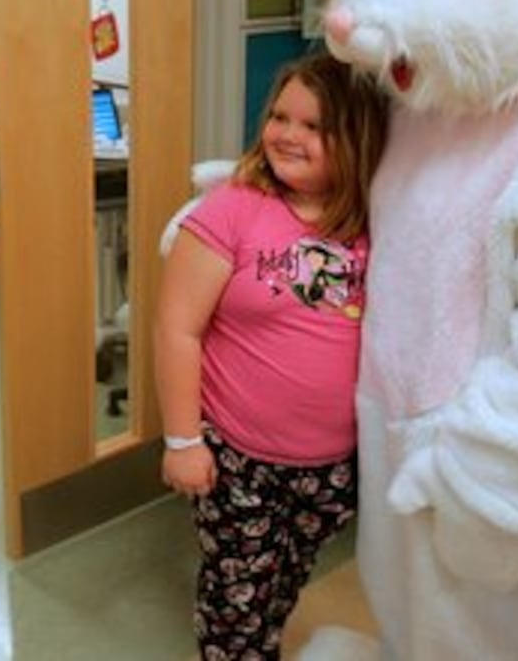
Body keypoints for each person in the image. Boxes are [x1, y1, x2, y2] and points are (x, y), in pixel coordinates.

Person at [155, 52, 388, 660]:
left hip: (331, 468)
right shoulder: (235, 207)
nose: (288, 134)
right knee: (237, 602)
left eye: (314, 125)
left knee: (282, 585)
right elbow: (177, 328)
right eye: (280, 116)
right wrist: (183, 442)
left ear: (357, 136)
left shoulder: (373, 221)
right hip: (238, 463)